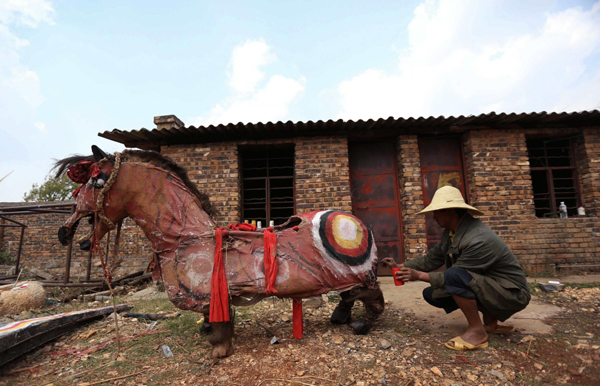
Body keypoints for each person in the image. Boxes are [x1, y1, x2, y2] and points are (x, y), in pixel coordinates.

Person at [382, 186, 530, 351]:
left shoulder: (478, 239)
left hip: (513, 294)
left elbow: (457, 275)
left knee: (454, 277)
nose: (433, 217)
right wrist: (400, 266)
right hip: (492, 286)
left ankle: (477, 332)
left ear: (450, 210)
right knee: (433, 295)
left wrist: (418, 276)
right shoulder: (452, 233)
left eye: (437, 212)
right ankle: (490, 321)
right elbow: (432, 259)